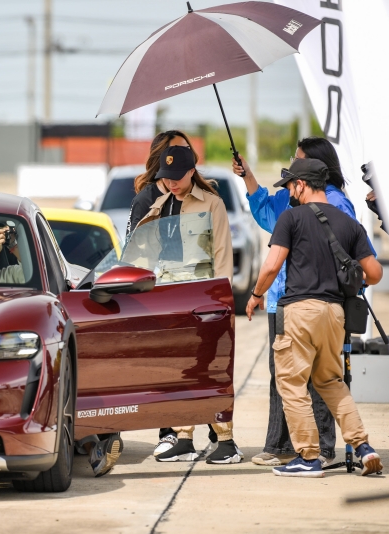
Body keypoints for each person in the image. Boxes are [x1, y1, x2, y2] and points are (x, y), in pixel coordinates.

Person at [232, 136, 374, 467]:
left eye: (296, 161)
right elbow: (372, 269)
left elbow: (272, 263)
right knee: (320, 379)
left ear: (303, 181)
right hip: (303, 305)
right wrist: (248, 177)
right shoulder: (294, 203)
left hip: (298, 304)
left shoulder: (330, 206)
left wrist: (252, 296)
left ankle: (315, 453)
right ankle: (353, 446)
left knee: (296, 382)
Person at [135, 144, 243, 464]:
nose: (171, 183)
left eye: (177, 176)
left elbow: (223, 256)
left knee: (209, 372)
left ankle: (226, 441)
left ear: (192, 172)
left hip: (204, 302)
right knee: (181, 372)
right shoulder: (158, 207)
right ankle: (184, 438)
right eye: (166, 177)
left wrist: (221, 305)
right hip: (170, 302)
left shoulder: (212, 205)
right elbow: (146, 257)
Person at [125, 130, 202, 241]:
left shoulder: (203, 196)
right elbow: (133, 252)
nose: (184, 155)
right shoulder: (145, 201)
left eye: (187, 149)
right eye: (176, 151)